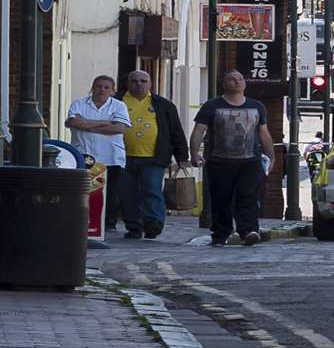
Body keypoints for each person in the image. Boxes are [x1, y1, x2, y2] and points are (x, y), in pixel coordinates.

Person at [190, 70, 276, 247]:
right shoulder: (212, 106)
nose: (237, 82)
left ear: (245, 83)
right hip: (219, 161)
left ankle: (248, 231)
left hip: (250, 161)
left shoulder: (257, 106)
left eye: (240, 79)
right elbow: (199, 130)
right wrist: (194, 153)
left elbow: (264, 133)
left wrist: (271, 156)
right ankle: (220, 234)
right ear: (224, 84)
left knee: (248, 197)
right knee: (221, 199)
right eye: (232, 79)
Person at [116, 70, 190, 240]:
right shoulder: (117, 101)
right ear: (128, 83)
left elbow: (176, 131)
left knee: (152, 189)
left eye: (143, 81)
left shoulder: (163, 105)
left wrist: (182, 157)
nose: (139, 84)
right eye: (134, 81)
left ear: (150, 84)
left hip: (154, 157)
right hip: (122, 157)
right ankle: (134, 226)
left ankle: (153, 223)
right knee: (127, 193)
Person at [66, 74, 131, 228]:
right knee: (86, 190)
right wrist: (105, 123)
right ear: (92, 88)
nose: (102, 90)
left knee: (110, 193)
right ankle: (86, 222)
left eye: (106, 87)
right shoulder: (79, 103)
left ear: (113, 91)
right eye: (98, 86)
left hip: (111, 156)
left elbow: (119, 128)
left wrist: (86, 123)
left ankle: (108, 223)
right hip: (85, 155)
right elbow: (72, 122)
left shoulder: (119, 106)